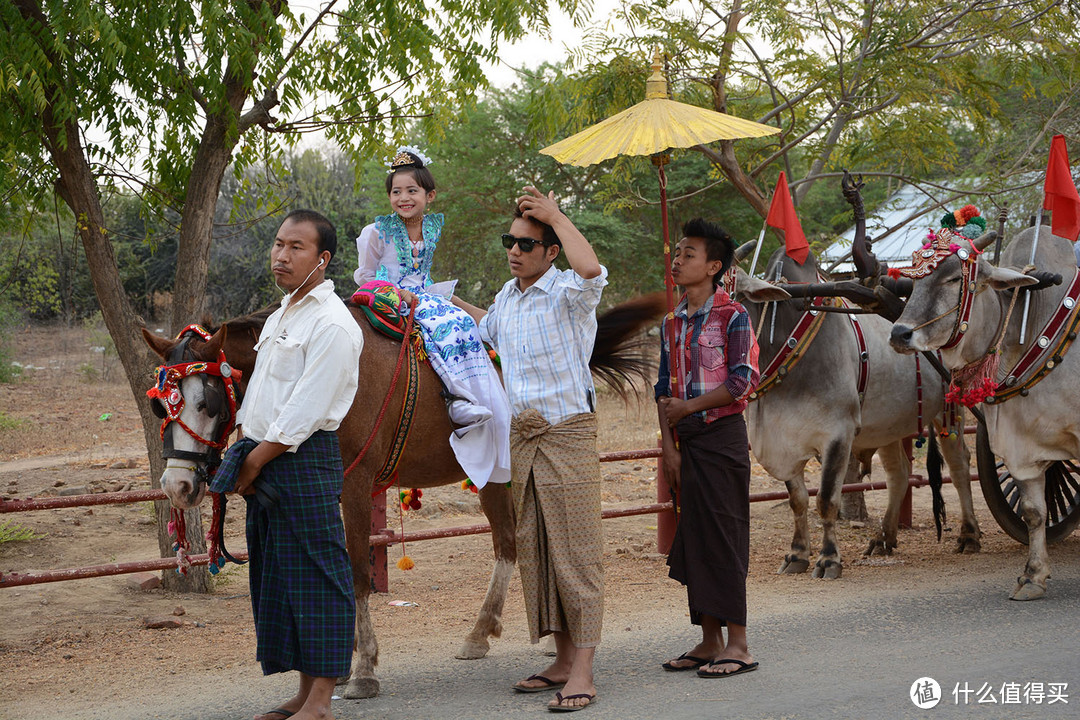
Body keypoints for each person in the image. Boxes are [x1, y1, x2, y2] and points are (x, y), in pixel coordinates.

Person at [454, 187, 606, 712]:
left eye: (526, 243)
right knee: (538, 550)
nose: (514, 251)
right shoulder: (508, 298)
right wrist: (434, 297)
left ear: (550, 251)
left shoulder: (569, 292)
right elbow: (482, 327)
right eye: (510, 241)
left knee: (577, 552)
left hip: (567, 434)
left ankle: (583, 671)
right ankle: (562, 660)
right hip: (523, 438)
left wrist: (558, 215)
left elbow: (591, 269)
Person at [209, 209, 363, 720]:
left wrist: (253, 461)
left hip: (299, 459)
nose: (281, 255)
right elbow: (265, 397)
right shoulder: (280, 317)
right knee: (282, 577)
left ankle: (321, 701)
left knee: (320, 577)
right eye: (278, 243)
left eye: (296, 247)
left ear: (322, 259)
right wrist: (245, 449)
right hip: (265, 454)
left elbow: (307, 408)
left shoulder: (333, 323)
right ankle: (303, 692)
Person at [354, 145, 511, 490]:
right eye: (396, 192)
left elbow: (423, 272)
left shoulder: (431, 227)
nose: (403, 198)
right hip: (391, 297)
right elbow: (365, 277)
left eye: (412, 191)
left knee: (464, 325)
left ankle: (473, 399)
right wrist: (394, 293)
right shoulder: (376, 232)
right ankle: (457, 401)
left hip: (424, 295)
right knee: (445, 326)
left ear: (430, 195)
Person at [654, 218, 760, 680]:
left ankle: (738, 644)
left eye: (689, 254)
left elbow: (742, 381)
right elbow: (662, 389)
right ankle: (708, 640)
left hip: (721, 439)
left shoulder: (733, 315)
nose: (678, 261)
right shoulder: (671, 321)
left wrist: (687, 408)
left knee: (724, 536)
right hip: (686, 443)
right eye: (677, 253)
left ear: (714, 266)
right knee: (695, 538)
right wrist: (671, 450)